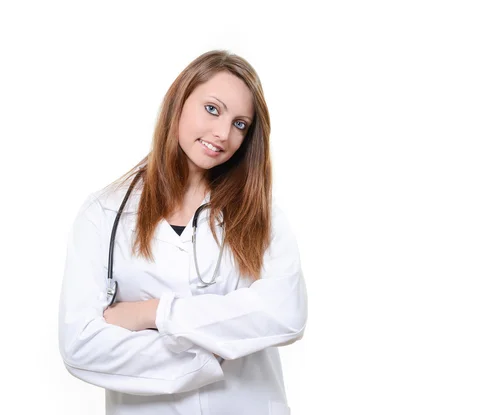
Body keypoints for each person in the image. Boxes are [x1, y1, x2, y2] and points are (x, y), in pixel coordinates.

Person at [58, 50, 308, 415]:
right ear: (179, 103)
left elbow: (286, 312)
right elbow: (80, 346)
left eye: (240, 124)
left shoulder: (260, 213)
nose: (223, 133)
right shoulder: (104, 214)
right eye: (212, 109)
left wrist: (154, 313)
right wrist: (212, 351)